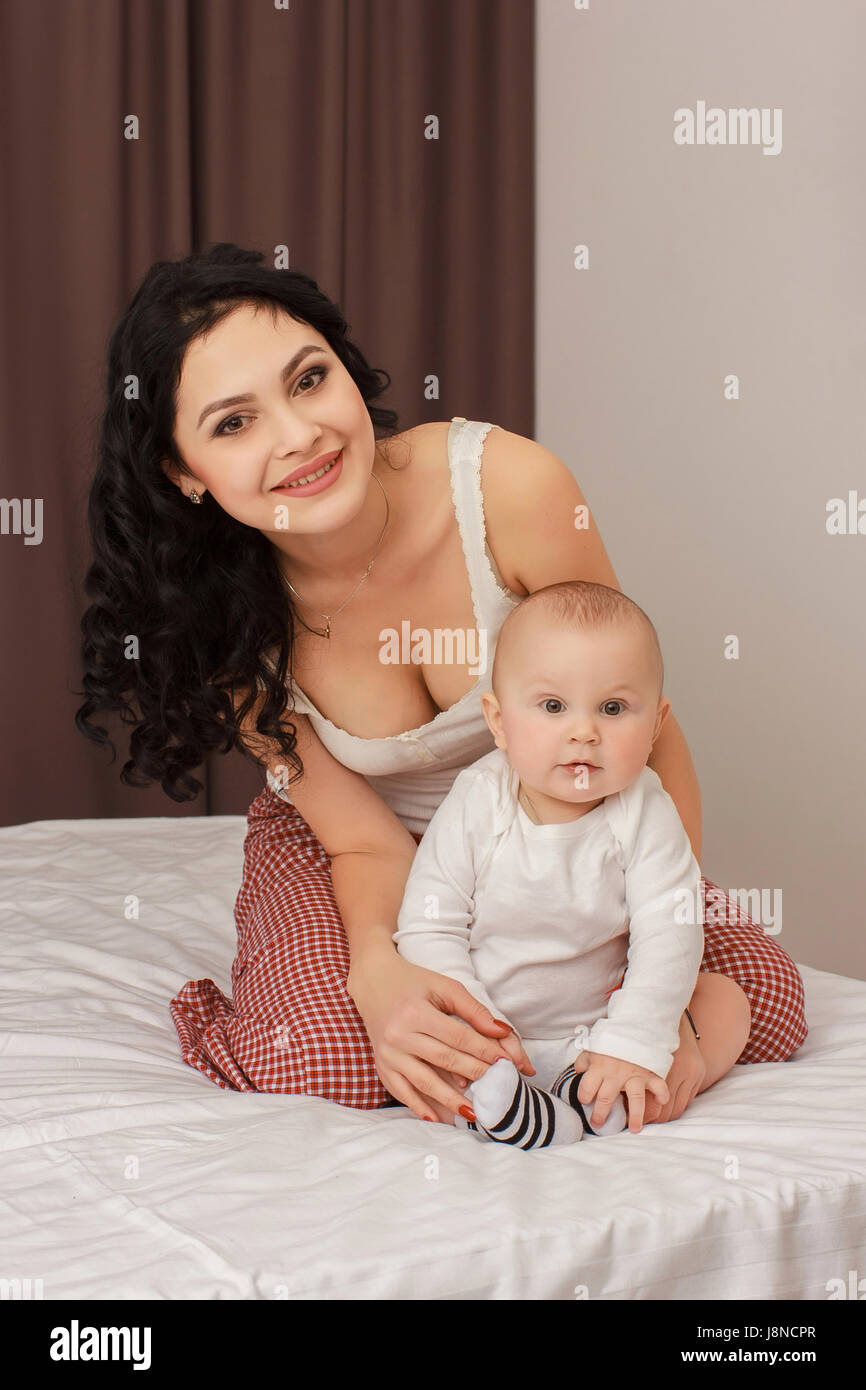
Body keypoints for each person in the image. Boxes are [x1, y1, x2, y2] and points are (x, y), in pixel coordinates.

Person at [74, 242, 807, 1128]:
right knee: (330, 1060)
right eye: (234, 424)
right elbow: (367, 845)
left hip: (563, 810)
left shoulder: (508, 487)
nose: (298, 436)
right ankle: (240, 1008)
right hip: (359, 843)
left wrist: (648, 978)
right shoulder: (220, 620)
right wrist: (380, 970)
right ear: (183, 472)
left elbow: (637, 723)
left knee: (766, 997)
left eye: (309, 380)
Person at [394, 580, 753, 1148]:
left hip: (596, 1034)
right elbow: (428, 926)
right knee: (428, 1038)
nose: (584, 731)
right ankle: (506, 1101)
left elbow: (670, 934)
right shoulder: (477, 799)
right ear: (499, 721)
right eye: (553, 706)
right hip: (493, 1033)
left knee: (726, 1002)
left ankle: (601, 1095)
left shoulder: (645, 812)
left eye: (613, 708)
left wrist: (630, 1042)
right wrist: (479, 1031)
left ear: (656, 725)